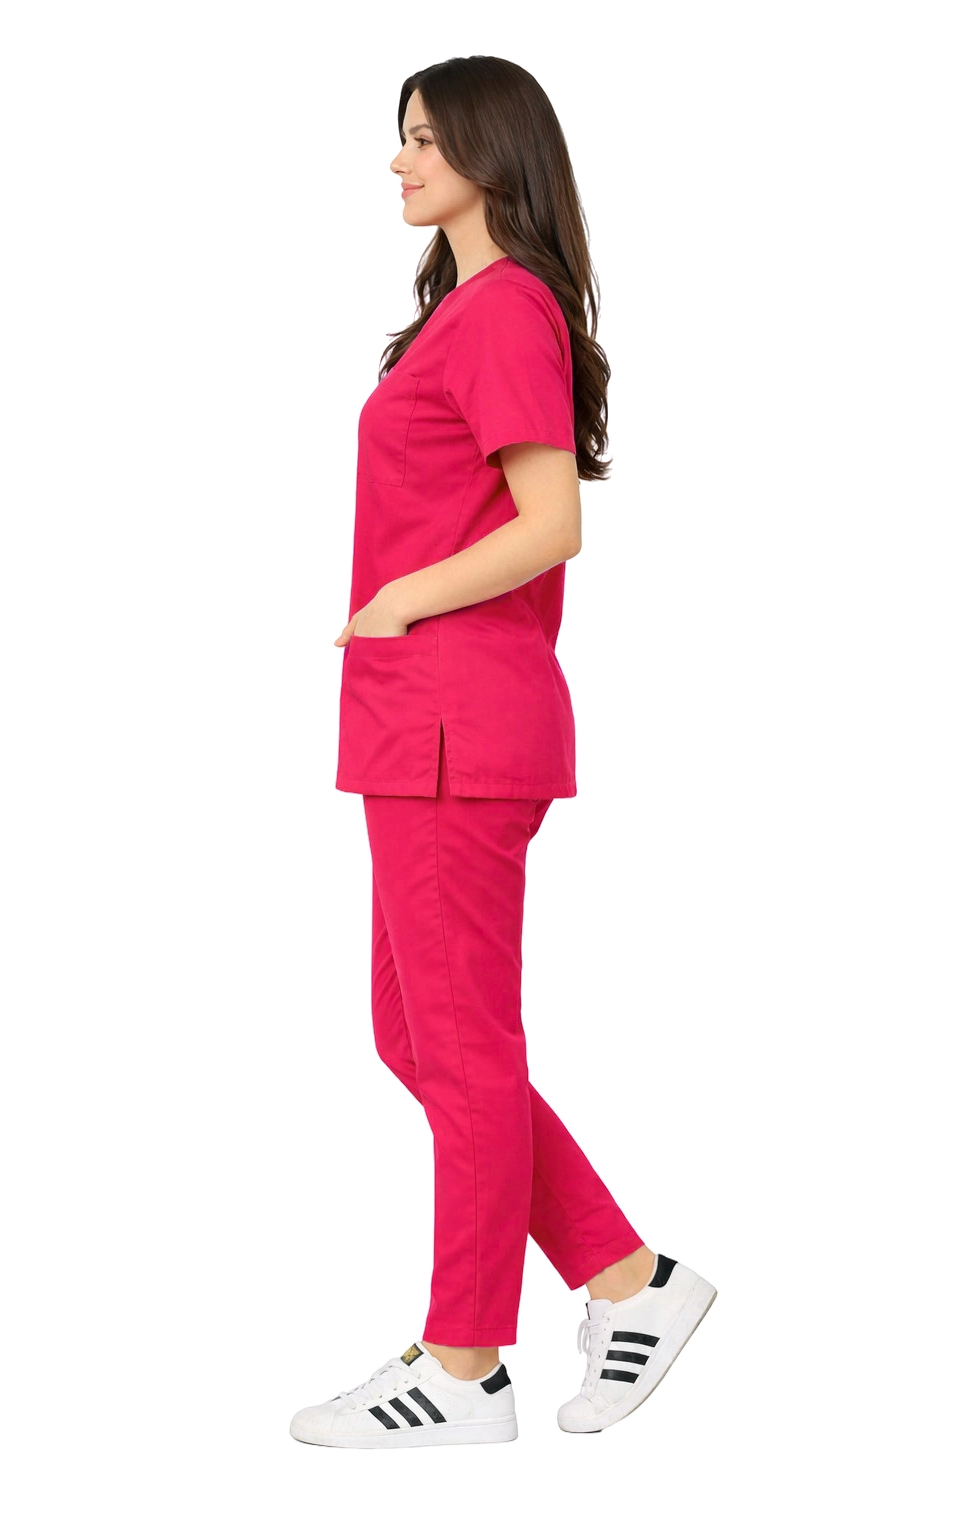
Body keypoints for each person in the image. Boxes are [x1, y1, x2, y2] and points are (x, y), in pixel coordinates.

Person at [290, 55, 717, 1451]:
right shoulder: (461, 314)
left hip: (454, 726)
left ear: (490, 147)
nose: (399, 161)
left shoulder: (506, 309)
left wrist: (399, 600)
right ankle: (630, 1279)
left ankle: (464, 1365)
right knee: (415, 1034)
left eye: (424, 138)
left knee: (464, 1050)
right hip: (417, 724)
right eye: (400, 137)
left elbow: (552, 523)